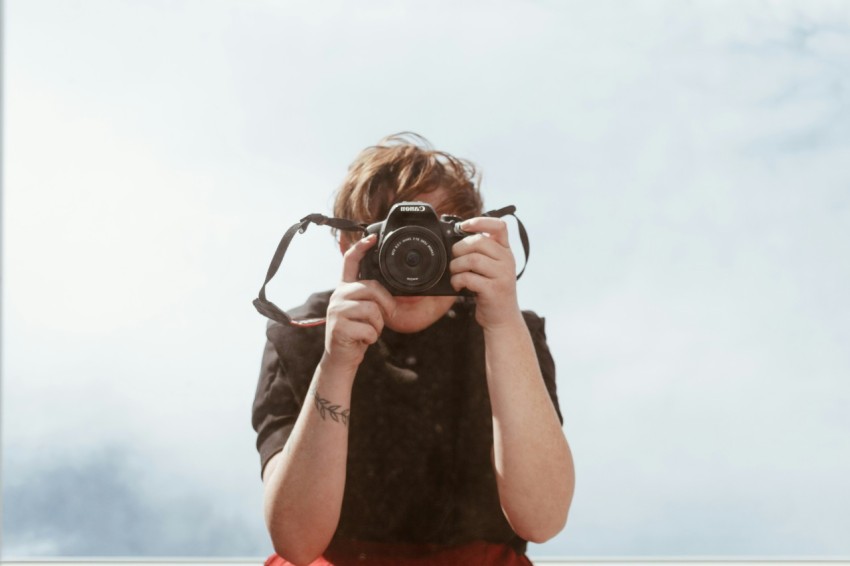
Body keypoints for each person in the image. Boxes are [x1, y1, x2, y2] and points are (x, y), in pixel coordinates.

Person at [252, 133, 575, 566]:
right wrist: (337, 363)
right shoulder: (301, 336)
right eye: (390, 233)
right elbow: (296, 542)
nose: (412, 253)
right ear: (347, 244)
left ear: (469, 238)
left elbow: (543, 519)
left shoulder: (509, 332)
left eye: (431, 233)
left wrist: (502, 321)